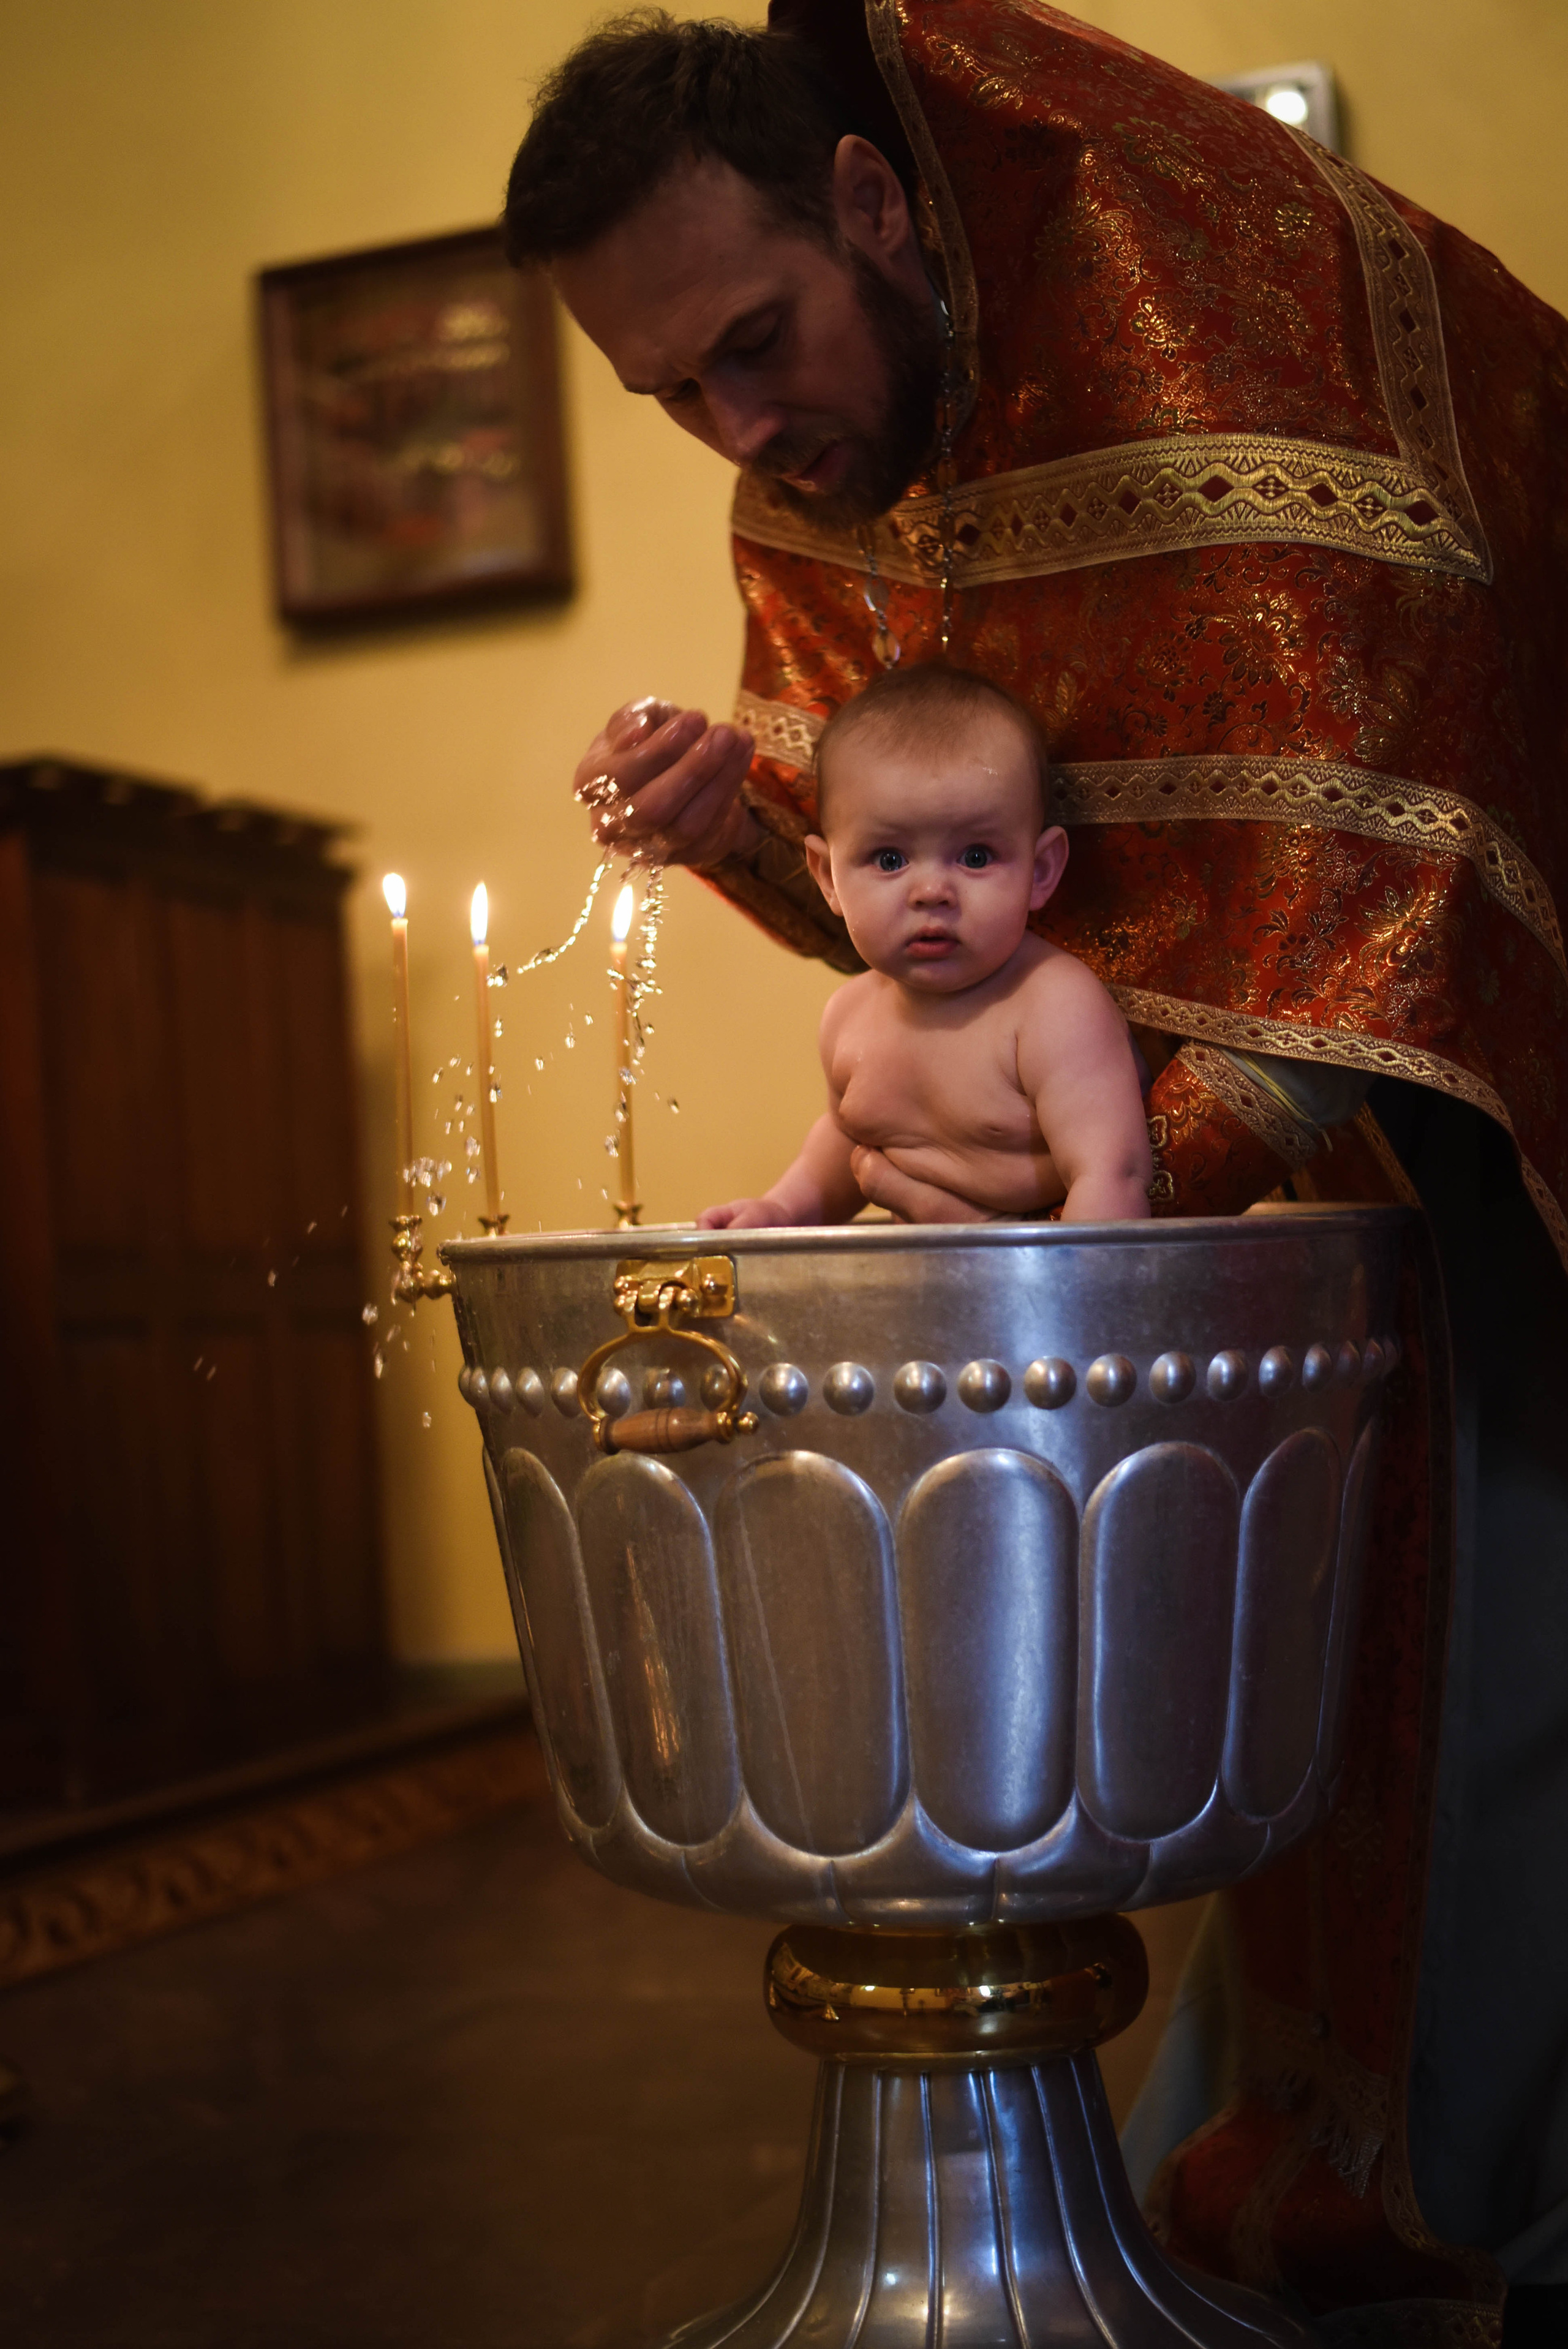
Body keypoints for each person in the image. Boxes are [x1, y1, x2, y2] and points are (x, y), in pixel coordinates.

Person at [503, 7, 1568, 2338]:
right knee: (1344, 1613)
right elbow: (939, 909)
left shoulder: (1213, 317)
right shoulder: (814, 463)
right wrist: (738, 842)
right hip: (1239, 1170)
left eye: (753, 342)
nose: (735, 425)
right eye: (667, 391)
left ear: (870, 207)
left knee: (1509, 1579)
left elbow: (1379, 797)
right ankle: (1346, 2145)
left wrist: (1071, 1224)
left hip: (1488, 1065)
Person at [698, 665, 1150, 1230]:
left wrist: (1076, 1300)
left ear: (1040, 871)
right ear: (828, 877)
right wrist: (785, 1208)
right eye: (890, 859)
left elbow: (1112, 1174)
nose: (932, 892)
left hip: (1043, 1286)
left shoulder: (1053, 1008)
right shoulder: (850, 1017)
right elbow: (848, 1140)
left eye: (976, 856)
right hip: (930, 1291)